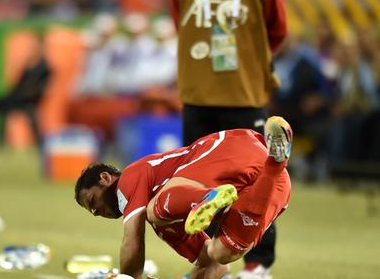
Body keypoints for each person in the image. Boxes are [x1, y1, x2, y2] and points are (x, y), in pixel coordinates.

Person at [169, 0, 288, 277]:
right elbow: (182, 27)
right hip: (198, 99)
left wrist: (248, 64)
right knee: (199, 189)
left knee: (257, 186)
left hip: (243, 98)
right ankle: (211, 262)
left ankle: (257, 264)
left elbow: (278, 33)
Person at [75, 116, 293, 279]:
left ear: (105, 178)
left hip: (232, 151)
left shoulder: (130, 178)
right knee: (222, 252)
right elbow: (214, 267)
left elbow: (132, 241)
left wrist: (127, 278)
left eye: (93, 202)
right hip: (271, 180)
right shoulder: (167, 229)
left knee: (153, 211)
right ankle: (277, 160)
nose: (95, 212)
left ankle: (207, 197)